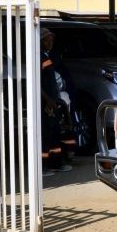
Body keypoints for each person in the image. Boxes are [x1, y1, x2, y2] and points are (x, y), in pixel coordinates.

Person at [40, 28, 72, 175]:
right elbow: (37, 83)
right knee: (46, 135)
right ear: (40, 41)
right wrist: (47, 100)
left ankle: (54, 164)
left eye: (51, 40)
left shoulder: (46, 57)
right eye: (47, 40)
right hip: (47, 104)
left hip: (52, 102)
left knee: (54, 133)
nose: (50, 43)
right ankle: (44, 167)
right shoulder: (40, 58)